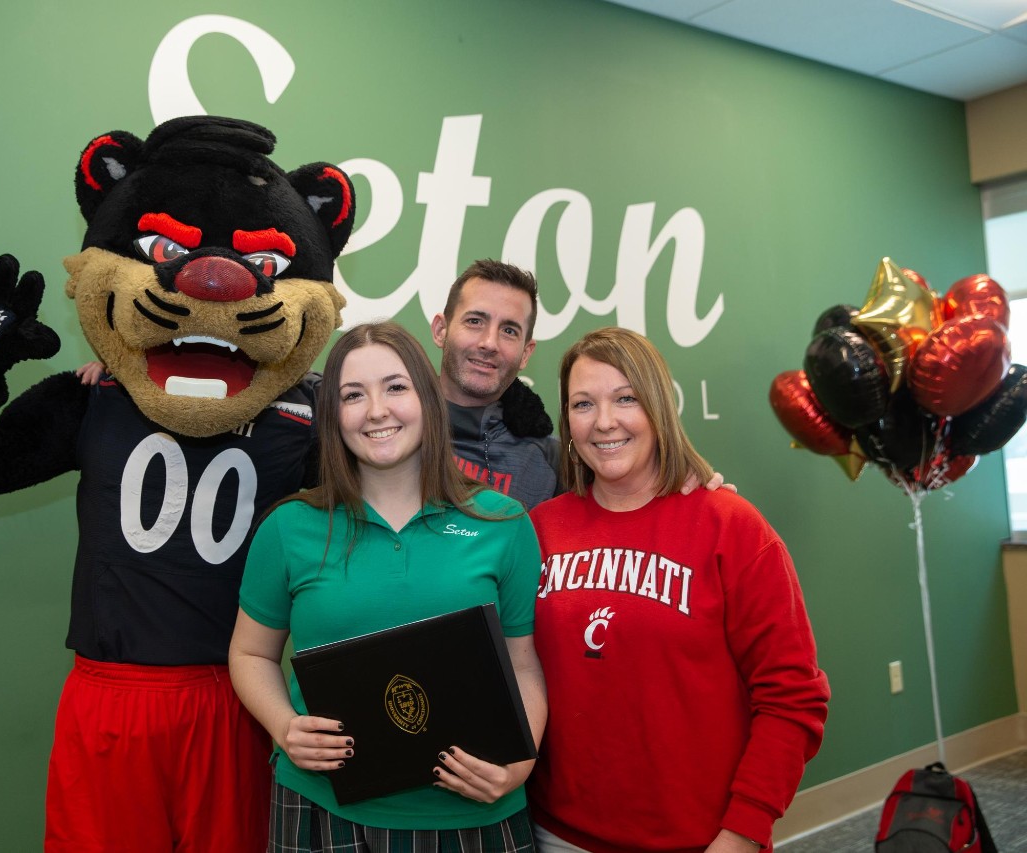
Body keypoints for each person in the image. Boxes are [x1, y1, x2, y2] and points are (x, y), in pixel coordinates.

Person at [228, 320, 547, 852]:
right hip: (324, 807)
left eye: (396, 387)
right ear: (334, 415)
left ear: (427, 397)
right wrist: (285, 726)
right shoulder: (289, 528)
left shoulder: (502, 522)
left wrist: (519, 761)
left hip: (474, 813)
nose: (376, 410)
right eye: (353, 395)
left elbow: (523, 664)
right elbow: (250, 653)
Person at [527, 327, 830, 853]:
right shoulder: (538, 531)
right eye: (583, 404)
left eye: (626, 399)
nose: (604, 422)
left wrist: (741, 833)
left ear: (659, 407)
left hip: (702, 840)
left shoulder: (731, 527)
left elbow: (793, 700)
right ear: (567, 423)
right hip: (556, 835)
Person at [430, 259, 561, 509]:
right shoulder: (389, 428)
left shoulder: (550, 461)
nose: (489, 343)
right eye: (475, 321)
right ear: (440, 330)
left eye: (509, 331)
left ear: (526, 353)